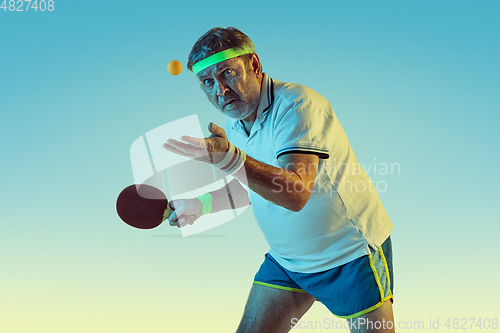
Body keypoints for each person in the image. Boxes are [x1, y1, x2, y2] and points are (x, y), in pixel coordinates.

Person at [163, 27, 395, 333]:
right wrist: (200, 204)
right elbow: (251, 185)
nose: (220, 90)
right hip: (289, 263)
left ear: (254, 66)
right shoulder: (235, 124)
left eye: (227, 73)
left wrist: (232, 159)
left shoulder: (298, 105)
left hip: (349, 255)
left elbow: (295, 192)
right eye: (208, 82)